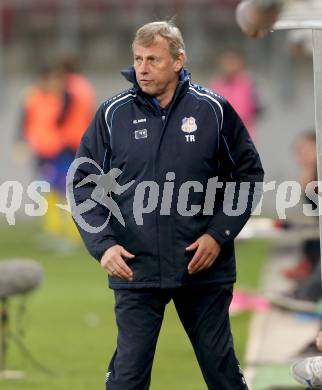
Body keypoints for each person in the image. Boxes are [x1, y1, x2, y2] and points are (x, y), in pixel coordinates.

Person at [70, 20, 264, 389]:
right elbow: (82, 185)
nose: (142, 68)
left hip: (202, 268)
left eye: (153, 59)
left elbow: (248, 175)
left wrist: (218, 234)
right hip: (136, 268)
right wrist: (103, 246)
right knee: (126, 379)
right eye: (139, 59)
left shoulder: (213, 110)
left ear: (178, 61)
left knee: (223, 376)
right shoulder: (113, 114)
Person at [209, 49, 262, 140]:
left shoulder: (248, 82)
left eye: (233, 62)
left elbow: (258, 106)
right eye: (227, 62)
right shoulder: (216, 84)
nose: (230, 65)